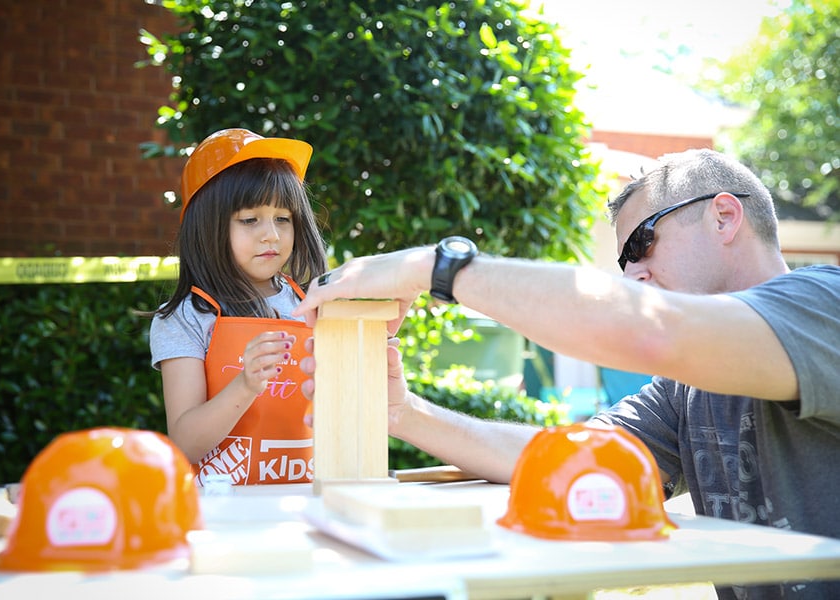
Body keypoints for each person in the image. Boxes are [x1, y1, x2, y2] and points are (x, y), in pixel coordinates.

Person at [294, 149, 840, 599]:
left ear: (724, 215)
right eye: (622, 264)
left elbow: (648, 329)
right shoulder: (689, 386)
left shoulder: (826, 306)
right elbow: (566, 460)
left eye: (641, 242)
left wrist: (433, 269)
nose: (634, 274)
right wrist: (403, 413)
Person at [149, 128, 328, 486]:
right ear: (207, 225)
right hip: (220, 516)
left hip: (304, 504)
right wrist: (246, 384)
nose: (271, 235)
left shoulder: (313, 305)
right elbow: (183, 444)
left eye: (283, 218)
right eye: (250, 220)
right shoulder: (185, 318)